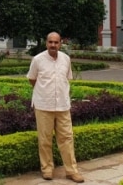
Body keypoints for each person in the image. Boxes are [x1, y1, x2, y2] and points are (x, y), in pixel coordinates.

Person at [26, 32, 84, 183]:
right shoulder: (38, 60)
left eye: (56, 42)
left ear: (60, 44)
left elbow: (66, 79)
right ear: (46, 43)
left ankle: (72, 171)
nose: (53, 45)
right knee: (45, 140)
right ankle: (47, 169)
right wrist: (44, 92)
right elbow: (32, 79)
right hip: (43, 105)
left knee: (67, 138)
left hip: (63, 106)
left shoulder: (66, 59)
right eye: (50, 42)